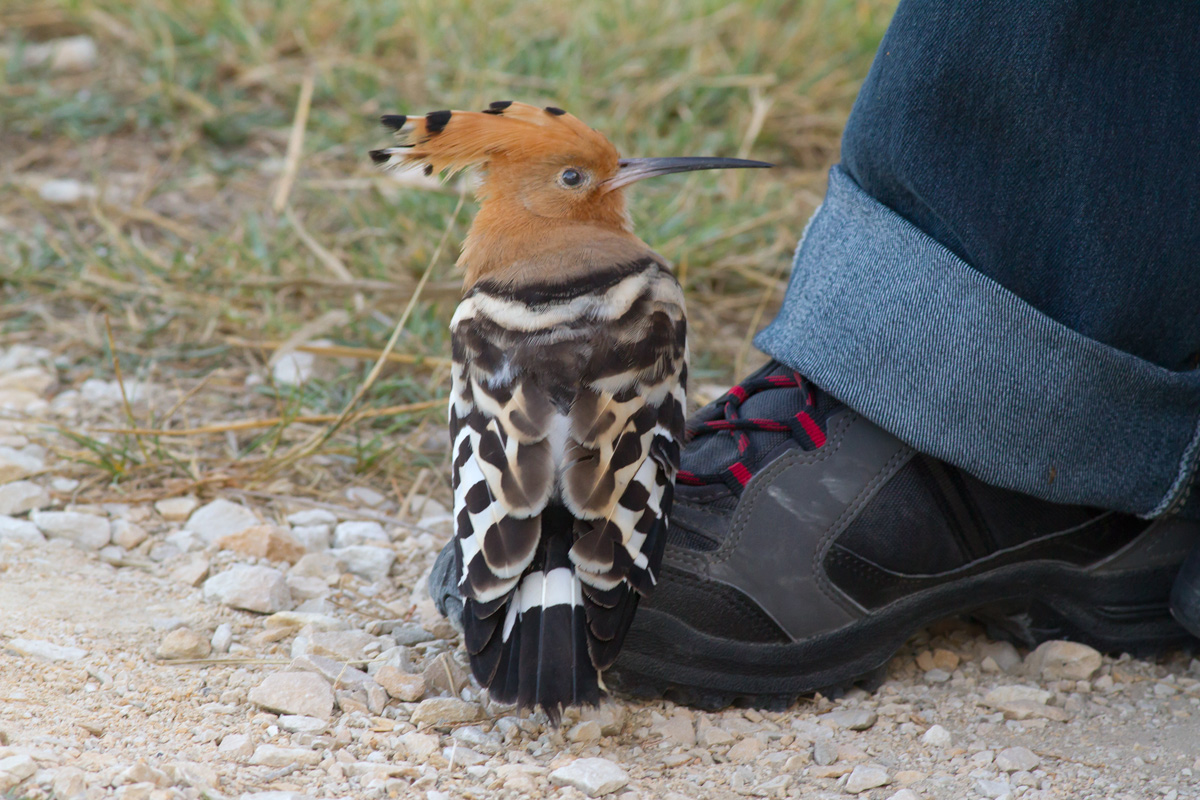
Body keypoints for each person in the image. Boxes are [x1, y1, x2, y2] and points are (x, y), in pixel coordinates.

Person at [432, 0, 1200, 707]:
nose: (632, 178)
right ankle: (964, 390)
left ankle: (993, 427)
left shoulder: (485, 307)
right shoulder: (637, 289)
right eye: (579, 179)